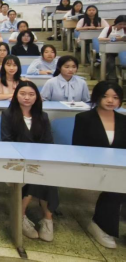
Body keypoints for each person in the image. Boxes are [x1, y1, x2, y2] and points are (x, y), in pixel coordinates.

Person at [1, 81, 58, 242]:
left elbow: (48, 142)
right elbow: (7, 141)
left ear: (37, 97)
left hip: (38, 160)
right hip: (16, 161)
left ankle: (47, 219)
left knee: (47, 176)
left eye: (31, 94)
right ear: (16, 95)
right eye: (23, 94)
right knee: (35, 174)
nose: (27, 97)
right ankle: (21, 216)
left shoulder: (42, 116)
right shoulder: (8, 115)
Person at [72, 81, 126, 249]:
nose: (110, 101)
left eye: (115, 97)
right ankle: (101, 225)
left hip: (118, 166)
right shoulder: (84, 118)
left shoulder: (123, 120)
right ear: (97, 97)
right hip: (93, 166)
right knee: (117, 186)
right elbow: (78, 147)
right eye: (105, 96)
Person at [98, 15, 126, 80]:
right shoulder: (108, 29)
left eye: (124, 24)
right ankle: (111, 79)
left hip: (122, 51)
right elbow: (100, 39)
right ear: (116, 23)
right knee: (110, 62)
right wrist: (115, 39)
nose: (122, 26)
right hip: (109, 51)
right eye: (120, 24)